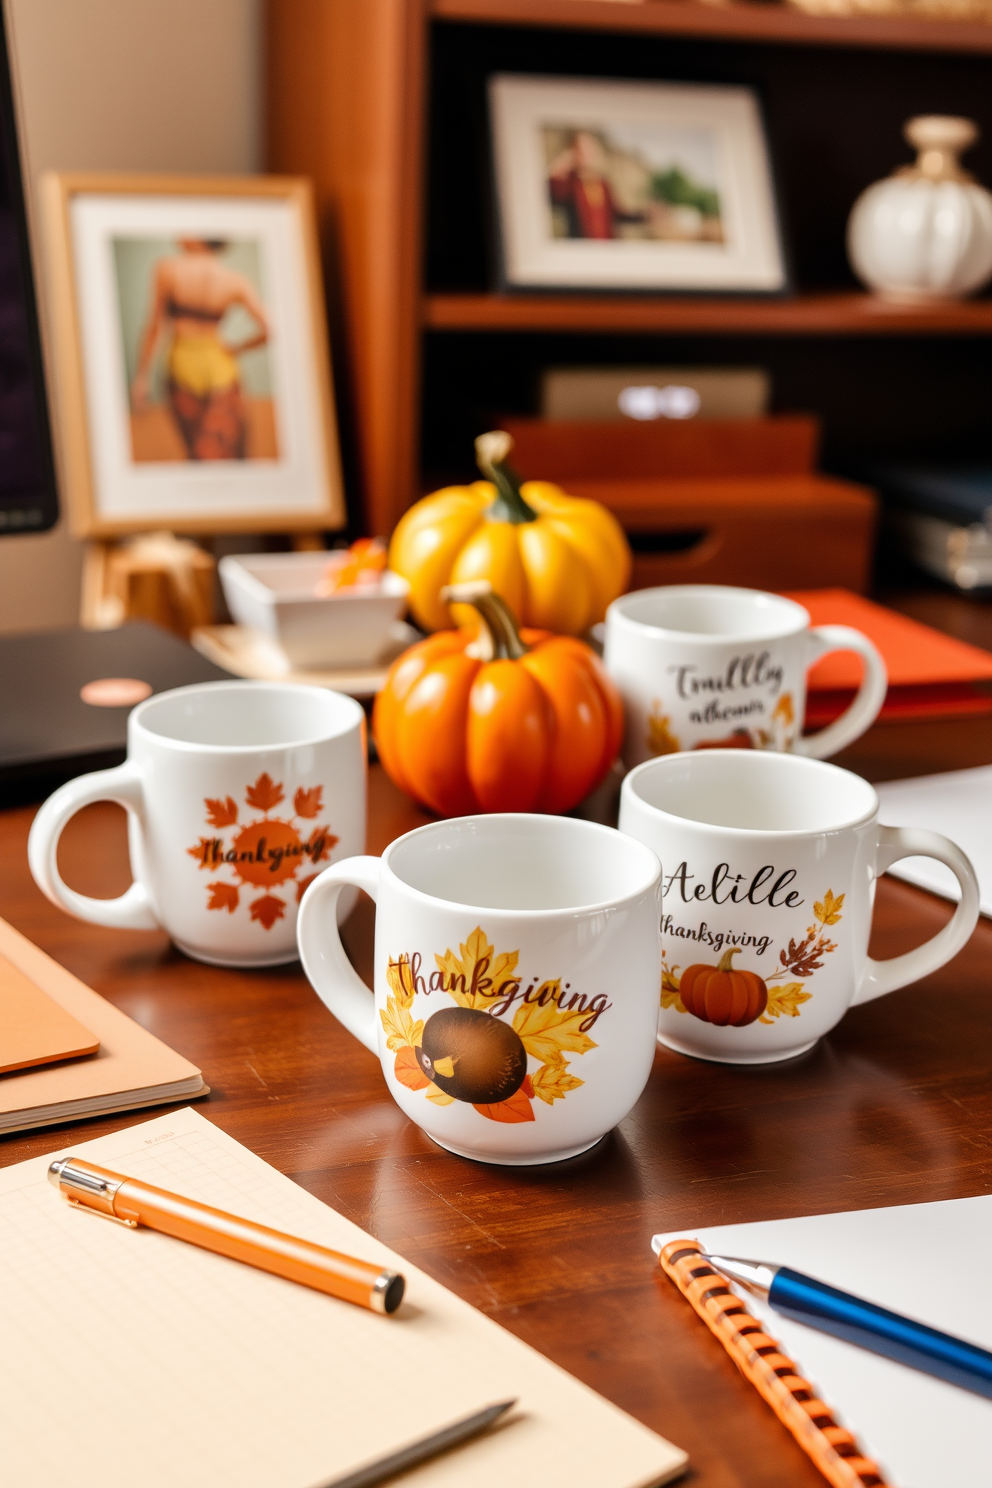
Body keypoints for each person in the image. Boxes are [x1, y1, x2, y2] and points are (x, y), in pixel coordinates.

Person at [129, 240, 270, 461]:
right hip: (222, 367)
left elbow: (154, 326)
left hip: (180, 366)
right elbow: (269, 330)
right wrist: (237, 348)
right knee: (227, 450)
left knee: (198, 451)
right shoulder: (235, 281)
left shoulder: (168, 269)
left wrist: (142, 376)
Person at [547, 130, 644, 240]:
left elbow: (616, 214)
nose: (585, 153)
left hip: (606, 246)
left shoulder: (602, 183)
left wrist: (644, 215)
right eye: (580, 149)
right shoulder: (570, 183)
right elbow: (551, 194)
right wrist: (563, 163)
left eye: (588, 148)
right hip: (581, 247)